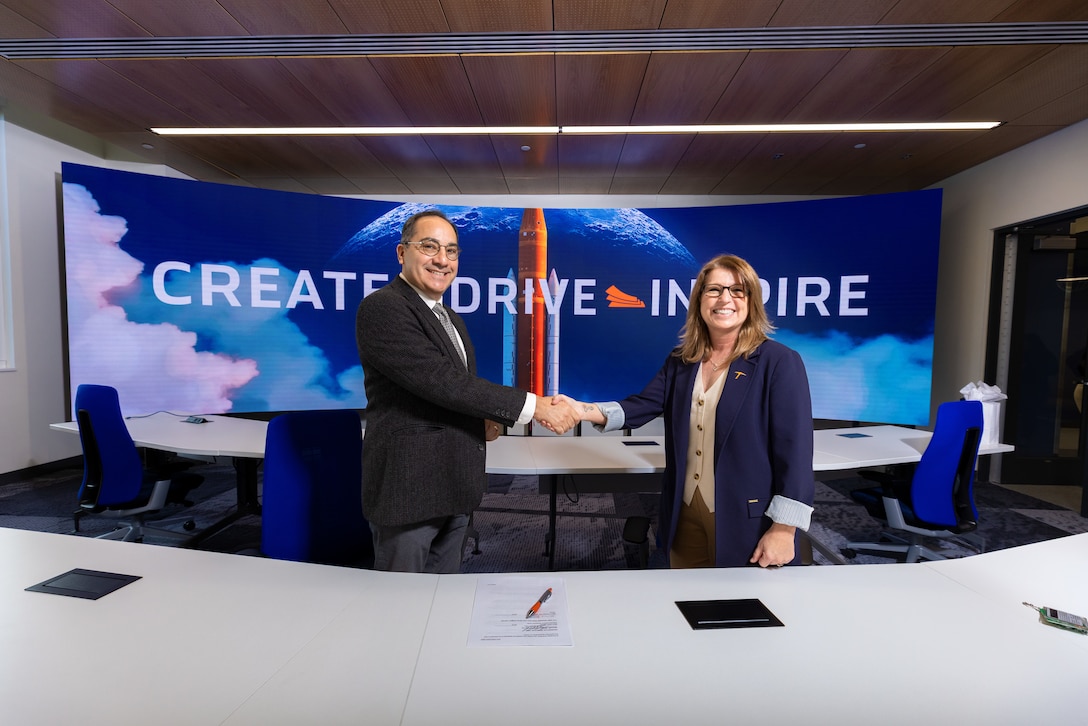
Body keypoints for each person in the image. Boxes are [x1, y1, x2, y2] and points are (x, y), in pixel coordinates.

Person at [355, 209, 577, 573]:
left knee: (444, 594)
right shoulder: (384, 308)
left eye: (451, 250)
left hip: (454, 485)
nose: (442, 260)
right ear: (401, 252)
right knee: (402, 599)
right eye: (429, 247)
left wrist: (484, 418)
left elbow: (451, 392)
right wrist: (535, 406)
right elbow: (441, 381)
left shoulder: (448, 317)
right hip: (410, 491)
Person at [560, 254, 814, 568]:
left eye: (737, 290)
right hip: (684, 510)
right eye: (714, 290)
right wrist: (581, 410)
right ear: (699, 300)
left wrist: (784, 528)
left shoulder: (778, 362)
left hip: (747, 517)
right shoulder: (682, 360)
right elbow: (640, 406)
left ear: (752, 301)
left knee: (739, 598)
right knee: (683, 592)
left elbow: (795, 452)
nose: (725, 299)